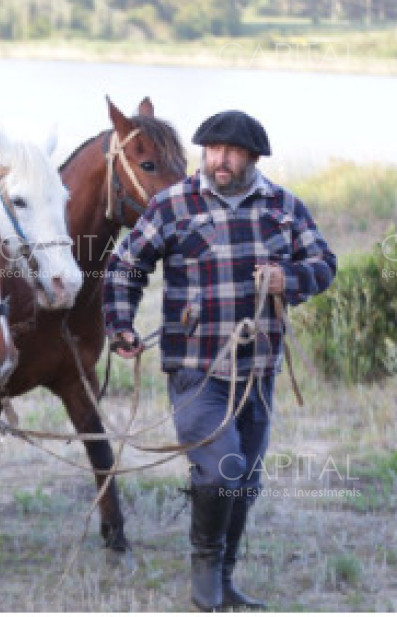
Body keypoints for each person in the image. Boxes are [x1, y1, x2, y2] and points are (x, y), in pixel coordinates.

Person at [103, 110, 336, 611]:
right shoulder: (173, 205)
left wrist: (286, 281)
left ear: (252, 157)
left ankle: (225, 581)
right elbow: (125, 267)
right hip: (196, 370)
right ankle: (205, 585)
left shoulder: (283, 207)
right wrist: (120, 325)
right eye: (212, 150)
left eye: (230, 151)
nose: (219, 160)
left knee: (245, 480)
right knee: (219, 472)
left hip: (259, 372)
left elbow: (323, 263)